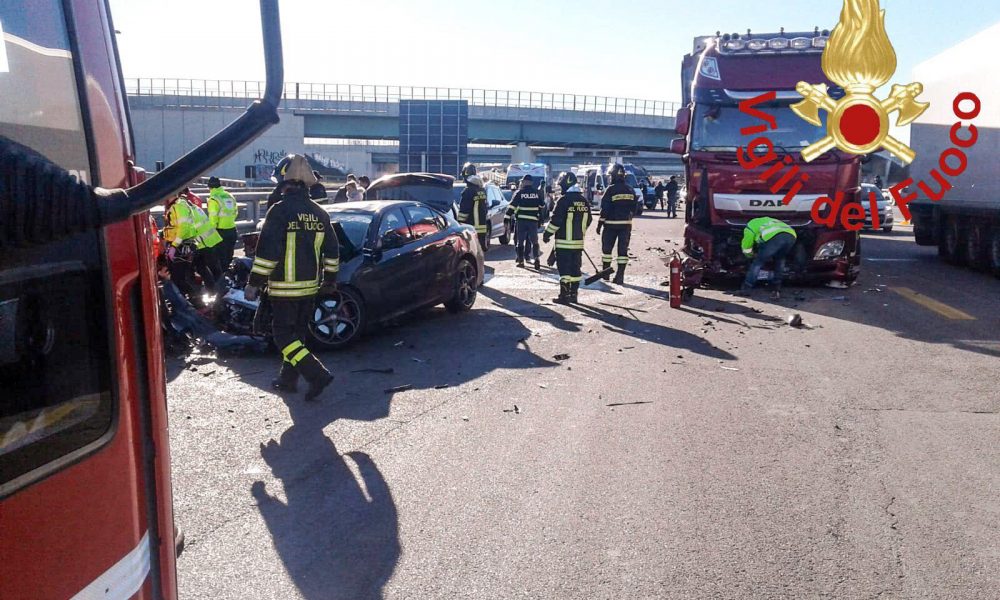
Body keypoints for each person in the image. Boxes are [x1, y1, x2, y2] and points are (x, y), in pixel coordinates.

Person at [245, 154, 339, 401]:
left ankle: (316, 374)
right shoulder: (320, 212)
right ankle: (287, 380)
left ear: (284, 182)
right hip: (310, 287)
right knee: (297, 335)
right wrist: (330, 280)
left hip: (284, 288)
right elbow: (332, 251)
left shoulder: (279, 211)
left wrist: (254, 283)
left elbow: (267, 252)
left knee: (283, 336)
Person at [543, 171, 592, 304]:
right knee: (575, 269)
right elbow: (588, 220)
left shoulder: (563, 201)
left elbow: (556, 221)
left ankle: (564, 296)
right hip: (578, 243)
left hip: (564, 243)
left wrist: (547, 234)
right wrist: (579, 232)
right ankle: (573, 295)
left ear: (566, 184)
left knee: (564, 270)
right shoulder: (584, 201)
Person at [164, 190, 224, 295]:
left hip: (200, 241)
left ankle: (201, 294)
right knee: (203, 267)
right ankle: (213, 292)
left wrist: (174, 245)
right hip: (207, 240)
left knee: (193, 270)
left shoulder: (180, 207)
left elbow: (184, 228)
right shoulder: (190, 205)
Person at [597, 163, 638, 285]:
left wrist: (599, 224)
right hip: (626, 225)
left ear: (614, 176)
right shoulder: (630, 189)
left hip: (610, 225)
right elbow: (635, 208)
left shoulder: (610, 189)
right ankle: (620, 276)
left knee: (607, 251)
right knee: (622, 252)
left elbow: (605, 209)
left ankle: (606, 274)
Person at [738, 216, 797, 299]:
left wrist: (750, 256)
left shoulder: (750, 226)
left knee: (757, 263)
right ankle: (776, 288)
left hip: (775, 237)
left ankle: (746, 289)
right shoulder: (768, 221)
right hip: (791, 235)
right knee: (780, 259)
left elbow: (746, 246)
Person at [507, 174, 545, 269]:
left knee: (520, 242)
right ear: (531, 183)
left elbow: (512, 206)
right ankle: (536, 258)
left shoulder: (520, 193)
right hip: (533, 221)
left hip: (521, 221)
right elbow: (542, 205)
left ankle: (521, 261)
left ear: (524, 182)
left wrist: (507, 216)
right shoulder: (536, 193)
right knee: (534, 241)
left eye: (523, 181)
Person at [207, 176, 239, 269]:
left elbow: (213, 219)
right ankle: (230, 275)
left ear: (210, 187)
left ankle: (222, 276)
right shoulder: (230, 196)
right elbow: (235, 212)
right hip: (232, 230)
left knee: (220, 258)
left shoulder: (214, 199)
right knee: (229, 256)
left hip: (220, 232)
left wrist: (211, 234)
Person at [457, 162, 489, 250]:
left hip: (471, 227)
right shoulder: (481, 190)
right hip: (482, 227)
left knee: (471, 251)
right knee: (480, 250)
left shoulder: (468, 191)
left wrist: (459, 223)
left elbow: (464, 211)